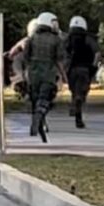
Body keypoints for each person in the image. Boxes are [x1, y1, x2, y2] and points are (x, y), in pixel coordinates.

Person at [24, 12, 66, 141]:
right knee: (45, 99)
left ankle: (36, 123)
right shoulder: (56, 39)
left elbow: (26, 57)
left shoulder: (32, 38)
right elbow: (59, 60)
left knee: (35, 99)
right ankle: (39, 118)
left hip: (33, 73)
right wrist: (64, 76)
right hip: (48, 73)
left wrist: (27, 72)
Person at [65, 16, 100, 129]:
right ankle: (78, 113)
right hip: (84, 69)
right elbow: (97, 53)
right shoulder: (89, 39)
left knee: (74, 91)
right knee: (81, 93)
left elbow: (62, 53)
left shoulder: (67, 39)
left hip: (71, 70)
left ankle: (74, 105)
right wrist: (94, 66)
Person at [7, 19, 38, 96]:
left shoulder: (25, 41)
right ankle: (20, 80)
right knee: (18, 59)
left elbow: (11, 53)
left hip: (31, 65)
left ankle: (19, 79)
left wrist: (11, 54)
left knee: (17, 59)